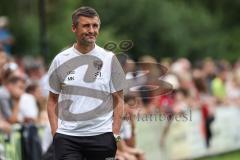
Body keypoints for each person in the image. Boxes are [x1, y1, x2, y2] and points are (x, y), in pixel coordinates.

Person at [46, 6, 125, 160]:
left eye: (95, 26)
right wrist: (55, 132)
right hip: (68, 138)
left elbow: (119, 99)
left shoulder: (110, 59)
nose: (91, 30)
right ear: (74, 28)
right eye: (86, 26)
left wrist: (115, 134)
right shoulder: (60, 60)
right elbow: (52, 100)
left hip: (101, 136)